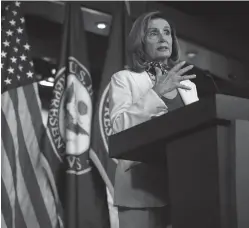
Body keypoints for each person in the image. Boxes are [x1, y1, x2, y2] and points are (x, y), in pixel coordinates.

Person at [109, 11, 199, 228]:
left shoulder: (189, 86)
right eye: (153, 33)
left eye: (167, 33)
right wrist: (156, 94)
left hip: (183, 189)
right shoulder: (124, 79)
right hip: (140, 191)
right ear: (140, 42)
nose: (162, 38)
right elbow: (118, 129)